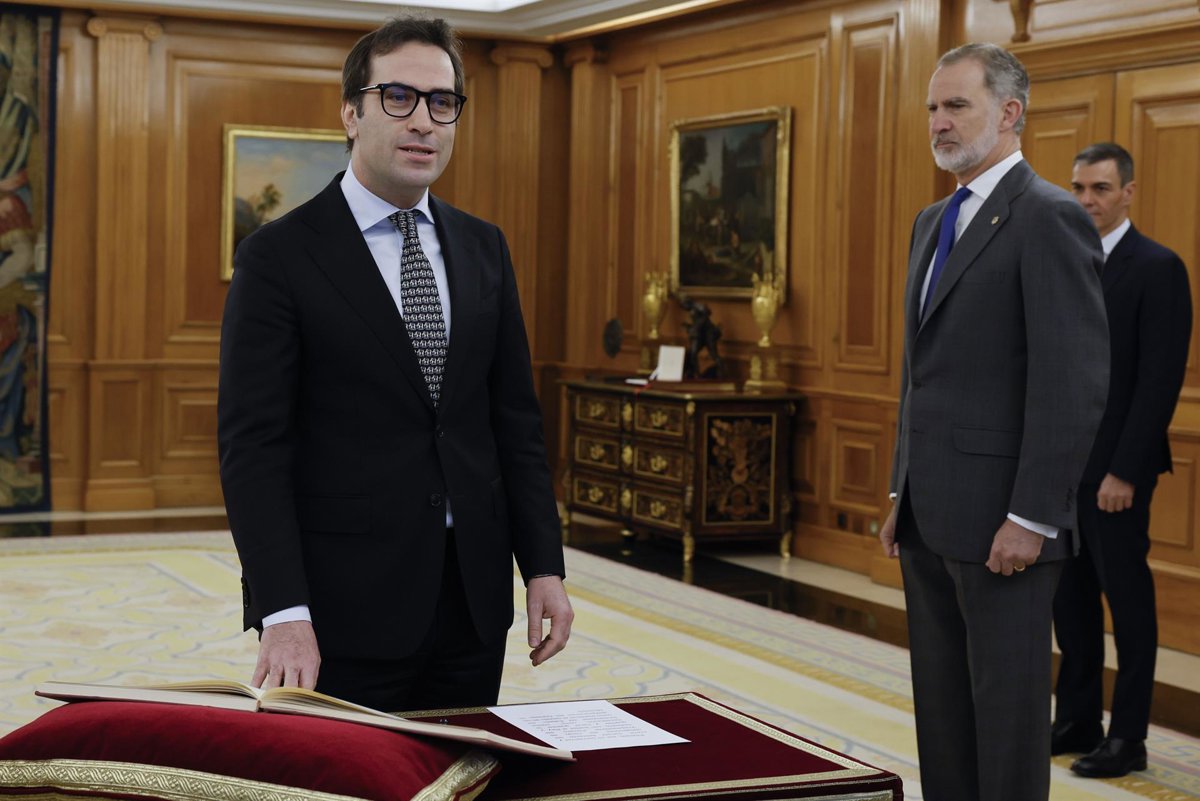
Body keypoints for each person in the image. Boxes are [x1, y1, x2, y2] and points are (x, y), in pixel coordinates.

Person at [217, 15, 573, 713]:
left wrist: (543, 565)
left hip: (473, 603)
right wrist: (282, 609)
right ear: (351, 114)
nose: (423, 122)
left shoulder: (484, 248)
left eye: (442, 102)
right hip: (342, 609)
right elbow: (253, 449)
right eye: (399, 97)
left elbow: (514, 424)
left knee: (461, 768)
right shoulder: (278, 257)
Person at [877, 43, 1109, 801]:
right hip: (929, 518)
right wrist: (901, 491)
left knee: (1006, 728)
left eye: (957, 106)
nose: (938, 122)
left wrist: (1032, 515)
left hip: (1006, 527)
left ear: (1010, 113)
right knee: (944, 721)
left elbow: (1072, 383)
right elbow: (922, 374)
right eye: (932, 108)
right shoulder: (931, 221)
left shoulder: (1050, 215)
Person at [1051, 142, 1192, 778]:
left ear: (1128, 192)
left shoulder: (1158, 267)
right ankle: (1077, 719)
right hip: (1061, 469)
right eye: (1079, 188)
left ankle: (1127, 737)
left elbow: (1158, 381)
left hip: (1116, 474)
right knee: (1070, 602)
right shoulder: (1063, 259)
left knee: (1127, 605)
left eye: (1101, 189)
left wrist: (1125, 471)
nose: (1087, 200)